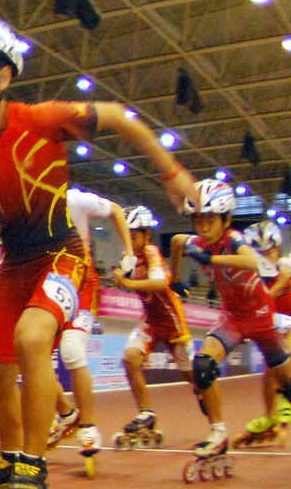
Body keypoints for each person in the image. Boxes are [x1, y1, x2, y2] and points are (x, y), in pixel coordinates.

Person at [0, 16, 198, 489]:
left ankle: (33, 462)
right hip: (14, 265)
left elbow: (119, 116)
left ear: (4, 77)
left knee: (32, 340)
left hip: (63, 256)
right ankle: (9, 457)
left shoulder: (43, 118)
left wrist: (171, 171)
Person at [169, 181, 291, 460]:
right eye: (198, 219)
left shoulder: (234, 239)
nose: (202, 226)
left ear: (226, 220)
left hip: (261, 317)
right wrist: (174, 279)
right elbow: (176, 242)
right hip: (233, 317)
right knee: (203, 365)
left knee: (286, 385)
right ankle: (218, 433)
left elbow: (253, 262)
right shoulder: (196, 243)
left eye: (210, 219)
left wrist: (210, 258)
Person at [47, 187, 136, 460]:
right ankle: (66, 413)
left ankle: (88, 426)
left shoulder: (74, 199)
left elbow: (117, 210)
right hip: (47, 285)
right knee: (31, 354)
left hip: (82, 284)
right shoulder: (24, 210)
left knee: (72, 349)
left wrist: (129, 253)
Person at [111, 205, 196, 446]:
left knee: (190, 375)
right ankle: (146, 413)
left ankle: (205, 396)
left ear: (147, 235)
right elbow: (125, 279)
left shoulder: (150, 251)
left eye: (134, 236)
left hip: (172, 322)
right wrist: (120, 279)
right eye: (126, 236)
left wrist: (127, 284)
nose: (129, 241)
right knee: (130, 359)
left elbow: (159, 283)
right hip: (150, 321)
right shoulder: (128, 257)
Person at [238, 220, 291, 441]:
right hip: (274, 326)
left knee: (278, 360)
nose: (265, 258)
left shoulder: (288, 266)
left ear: (277, 250)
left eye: (269, 252)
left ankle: (285, 405)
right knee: (270, 369)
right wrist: (279, 286)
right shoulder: (249, 278)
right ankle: (270, 415)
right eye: (259, 254)